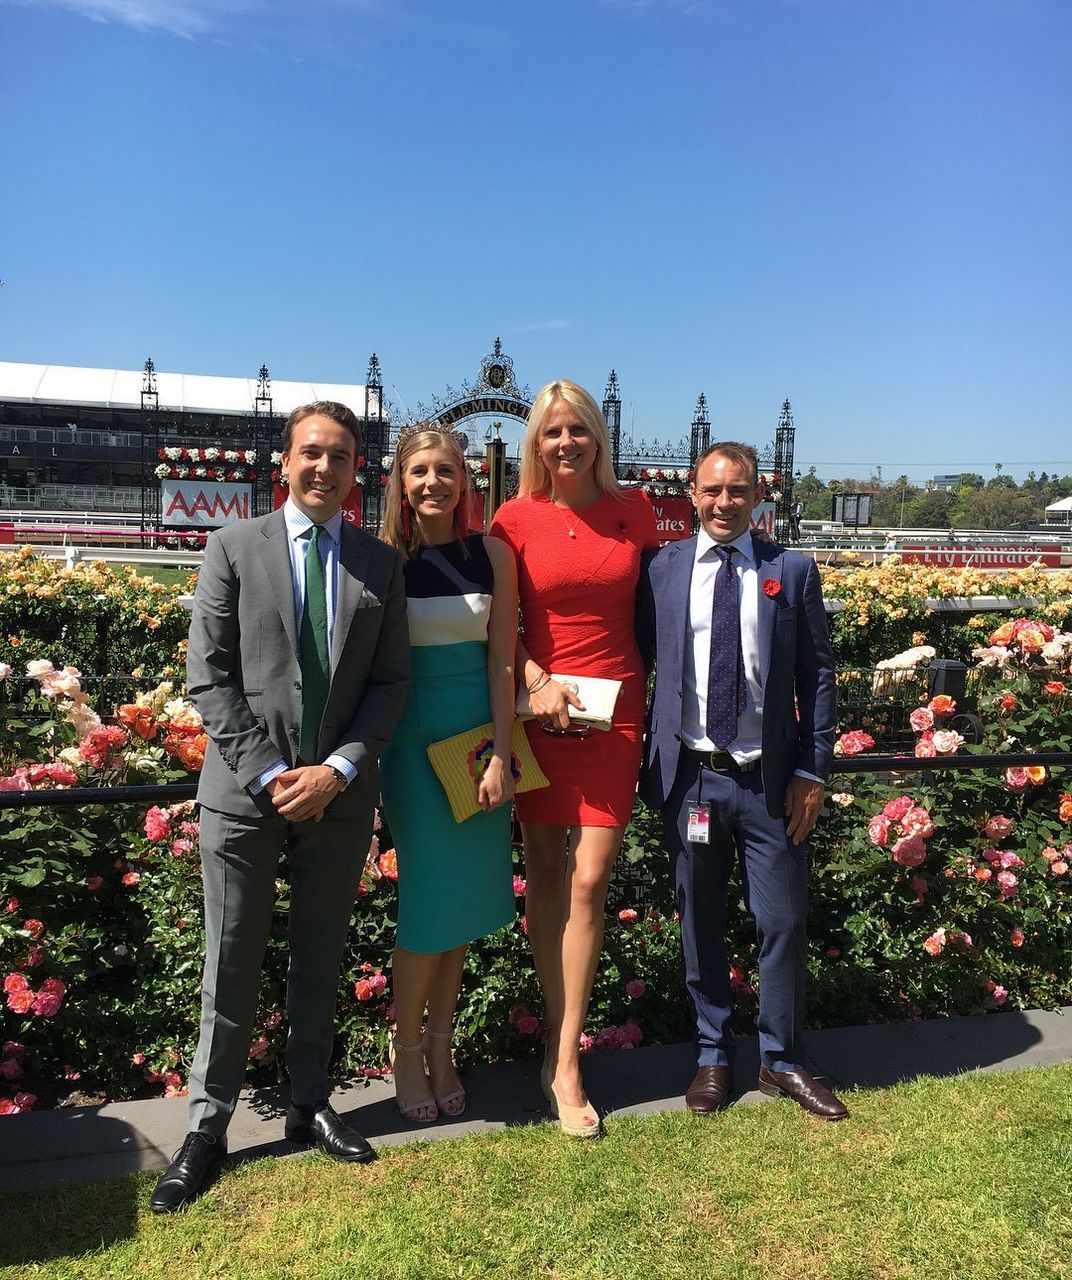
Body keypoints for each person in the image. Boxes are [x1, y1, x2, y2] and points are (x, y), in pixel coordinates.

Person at [151, 401, 410, 1213]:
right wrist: (271, 775)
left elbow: (390, 682)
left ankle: (308, 1103)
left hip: (336, 795)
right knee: (231, 960)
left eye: (340, 456)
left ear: (355, 471)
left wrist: (335, 770)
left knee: (319, 953)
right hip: (243, 795)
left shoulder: (380, 563)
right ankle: (208, 1124)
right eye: (312, 453)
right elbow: (209, 677)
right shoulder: (231, 548)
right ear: (285, 464)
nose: (325, 468)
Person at [637, 441, 847, 1121]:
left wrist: (813, 768)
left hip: (769, 782)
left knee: (781, 919)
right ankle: (712, 1054)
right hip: (693, 778)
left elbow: (817, 674)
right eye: (711, 490)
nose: (724, 503)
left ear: (759, 495)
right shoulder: (661, 571)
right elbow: (637, 659)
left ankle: (782, 1059)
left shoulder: (791, 570)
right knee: (700, 920)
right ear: (691, 495)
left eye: (738, 491)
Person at [489, 379, 659, 1137]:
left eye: (577, 431)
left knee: (591, 880)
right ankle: (562, 1052)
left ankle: (565, 1060)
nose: (565, 444)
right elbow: (499, 623)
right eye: (552, 433)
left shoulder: (636, 512)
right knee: (549, 877)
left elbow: (658, 612)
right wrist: (536, 681)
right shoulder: (514, 517)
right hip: (543, 716)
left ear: (597, 438)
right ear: (536, 443)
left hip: (615, 722)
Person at [379, 425, 518, 1123]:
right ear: (401, 485)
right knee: (426, 909)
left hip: (476, 747)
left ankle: (442, 1048)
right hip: (410, 750)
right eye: (419, 473)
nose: (432, 483)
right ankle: (407, 1053)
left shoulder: (493, 555)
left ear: (466, 480)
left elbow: (502, 663)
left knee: (459, 907)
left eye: (445, 471)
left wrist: (502, 751)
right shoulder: (382, 563)